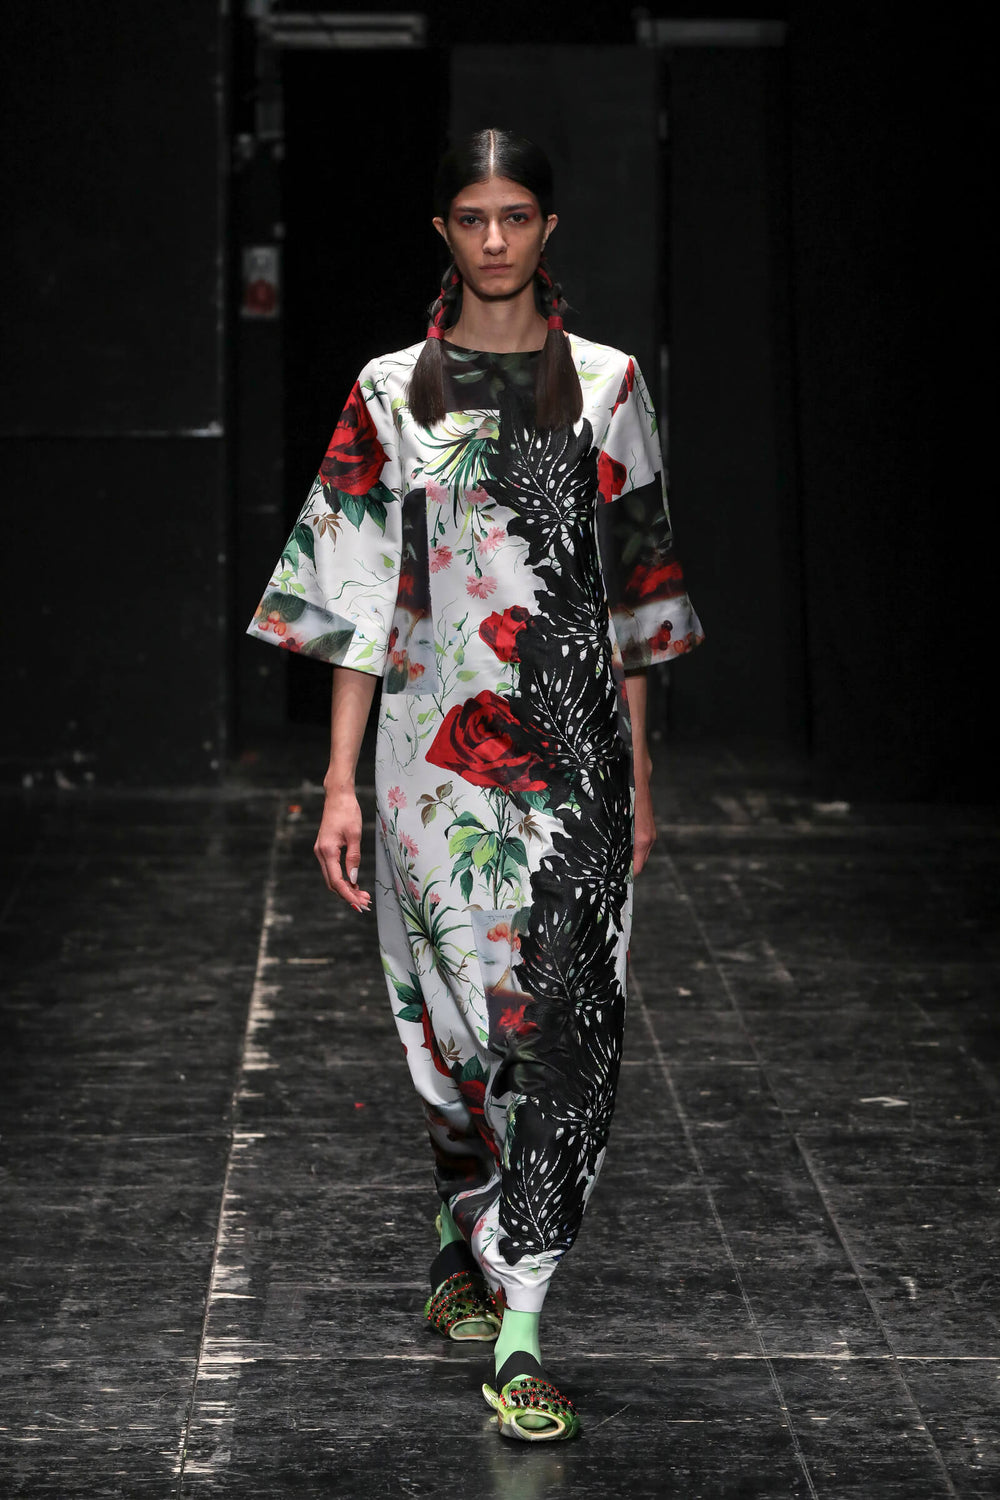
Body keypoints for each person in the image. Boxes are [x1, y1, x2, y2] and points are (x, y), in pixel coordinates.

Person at [248, 127, 703, 1442]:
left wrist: (642, 770)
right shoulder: (393, 392)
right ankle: (463, 1212)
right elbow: (355, 597)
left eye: (515, 216)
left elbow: (637, 592)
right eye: (471, 217)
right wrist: (338, 782)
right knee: (452, 1027)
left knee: (567, 1030)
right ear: (444, 233)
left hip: (580, 764)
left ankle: (521, 1325)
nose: (494, 239)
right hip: (426, 762)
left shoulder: (609, 384)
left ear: (548, 228)